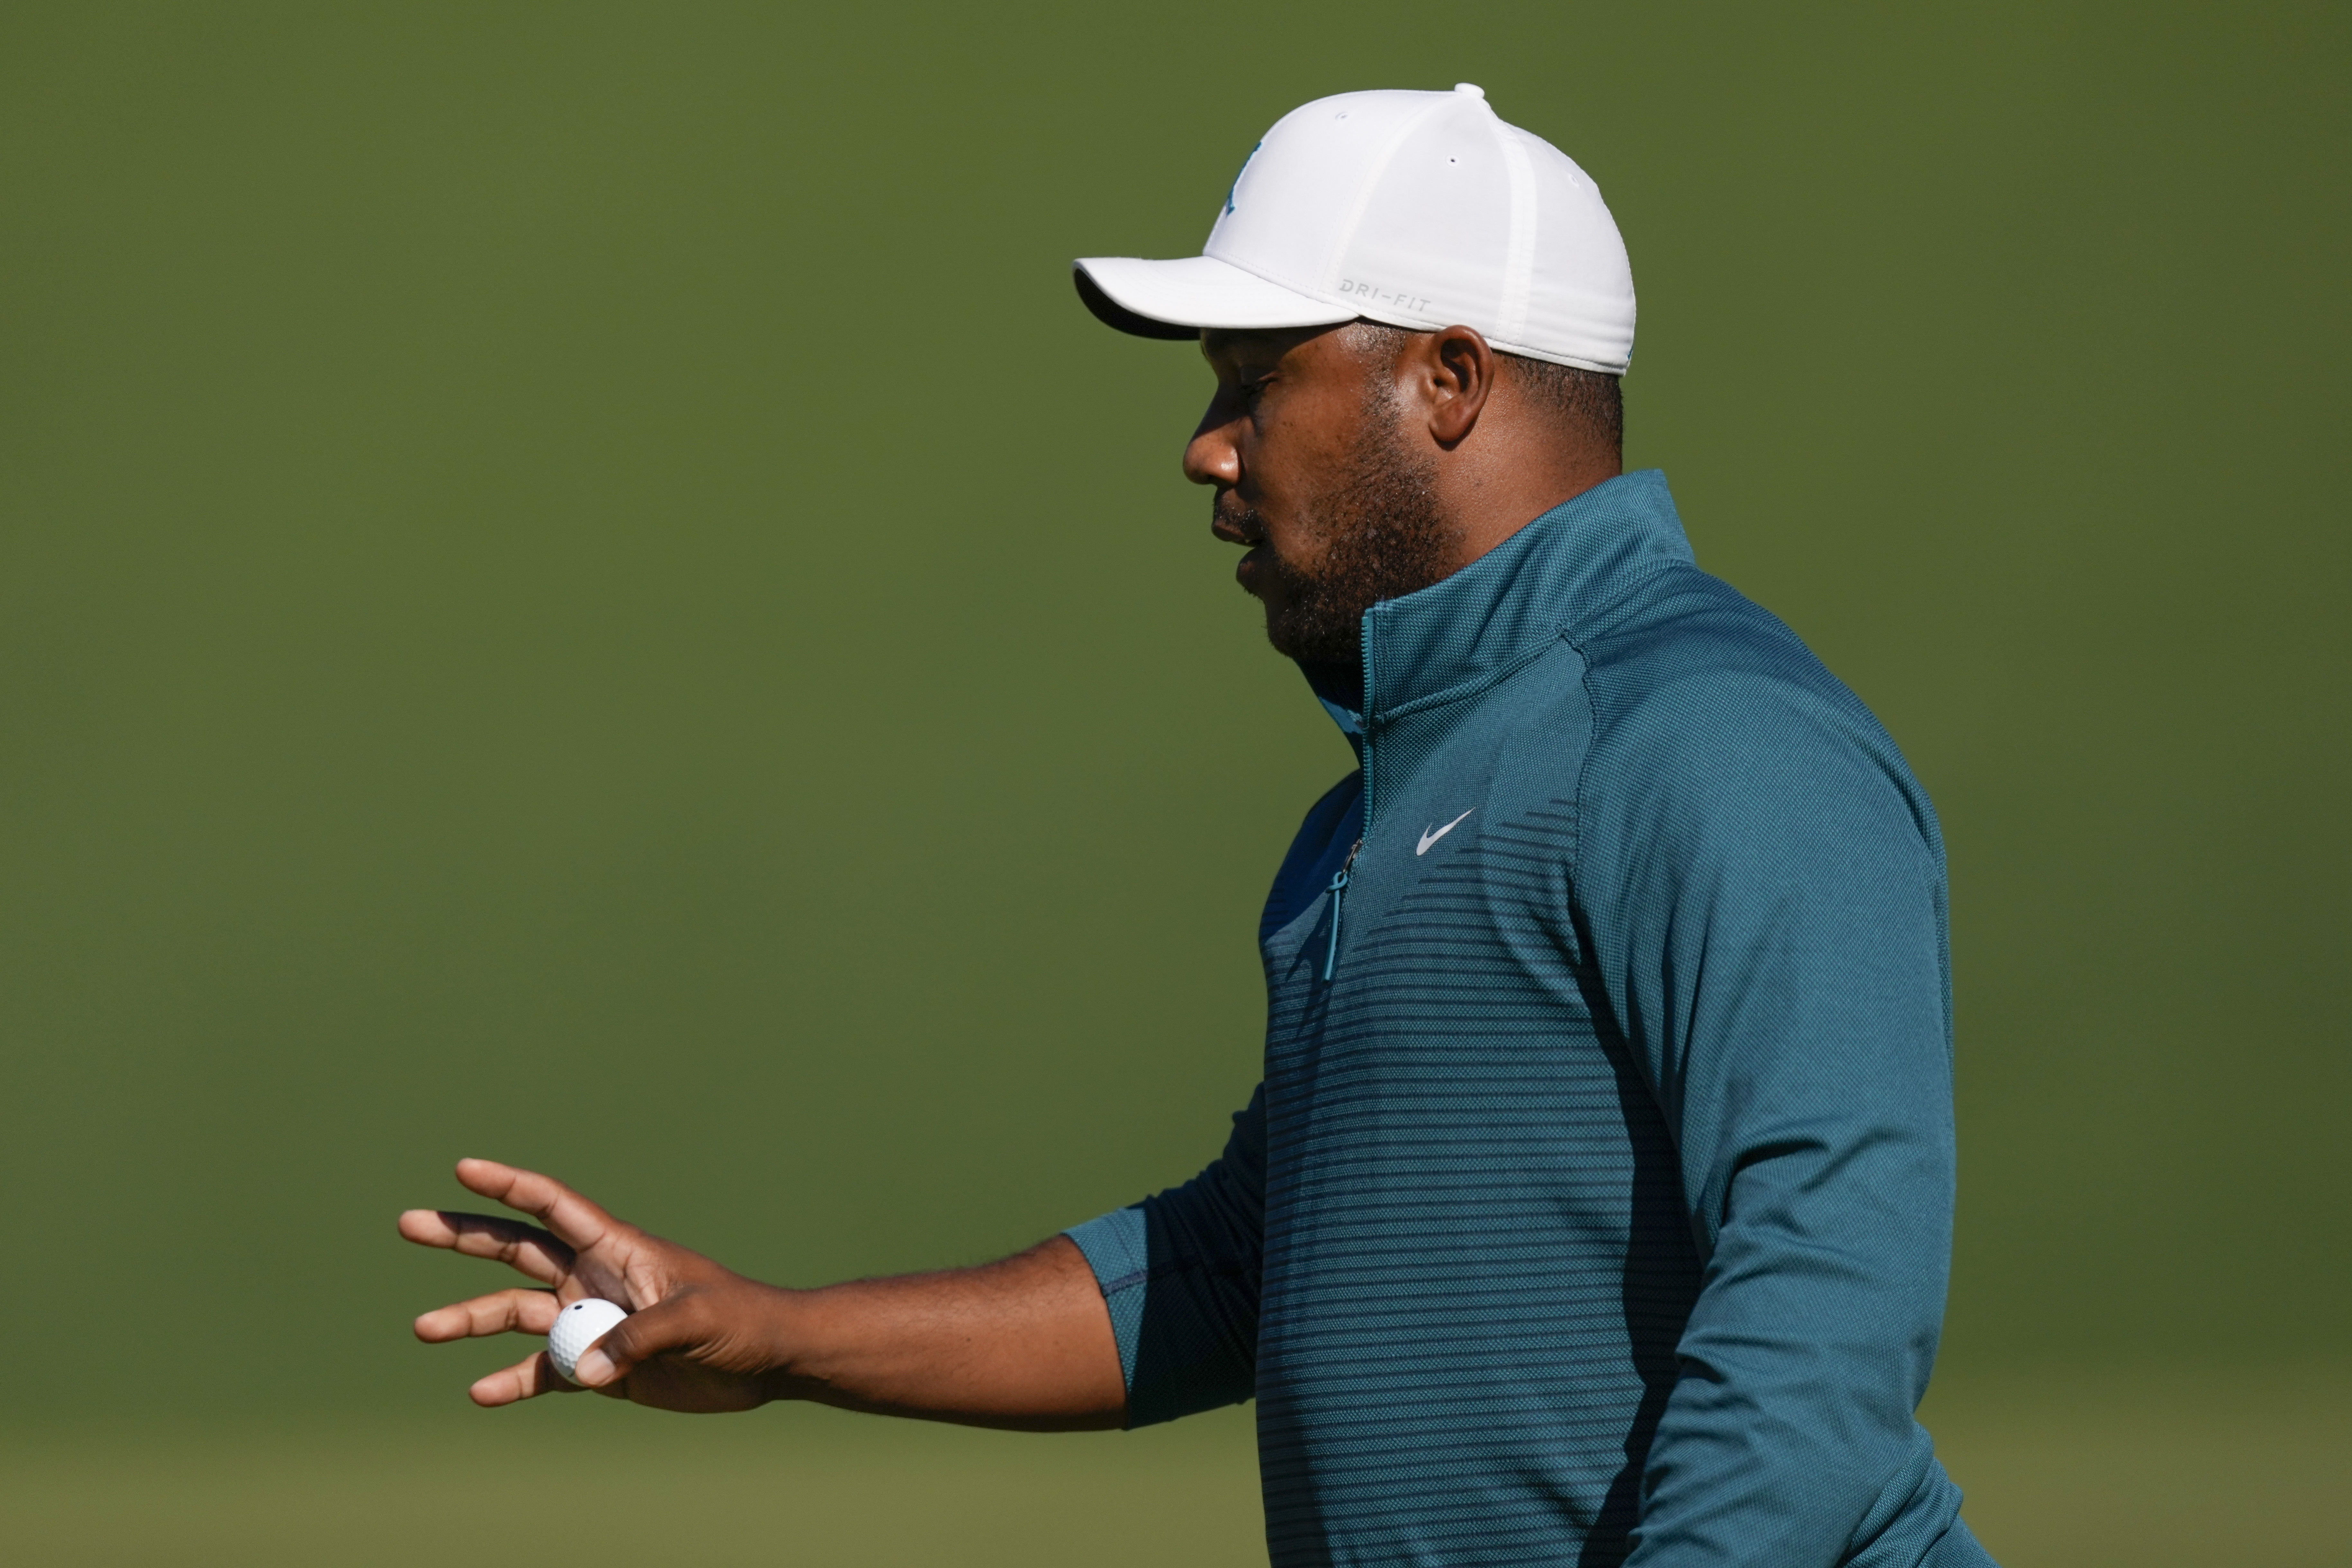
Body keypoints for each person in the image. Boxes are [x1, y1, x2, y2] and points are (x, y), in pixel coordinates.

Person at [401, 85, 1995, 1567]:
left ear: (1449, 378)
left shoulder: (1709, 736)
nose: (1205, 448)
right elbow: (1249, 1263)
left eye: (1257, 384)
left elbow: (1823, 1300)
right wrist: (776, 1335)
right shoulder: (1378, 808)